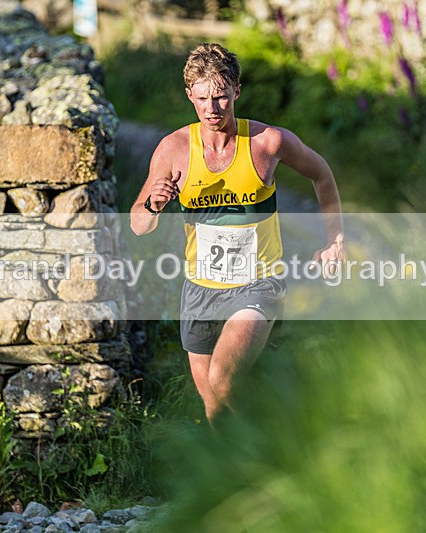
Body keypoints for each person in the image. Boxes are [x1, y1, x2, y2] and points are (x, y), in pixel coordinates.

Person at [130, 43, 344, 428]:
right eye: (202, 99)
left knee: (223, 380)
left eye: (221, 97)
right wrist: (153, 205)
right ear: (189, 96)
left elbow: (321, 174)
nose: (212, 109)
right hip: (200, 288)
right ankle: (232, 478)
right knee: (212, 403)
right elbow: (138, 225)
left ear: (237, 92)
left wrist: (335, 239)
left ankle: (282, 447)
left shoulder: (266, 143)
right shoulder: (174, 150)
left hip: (257, 284)